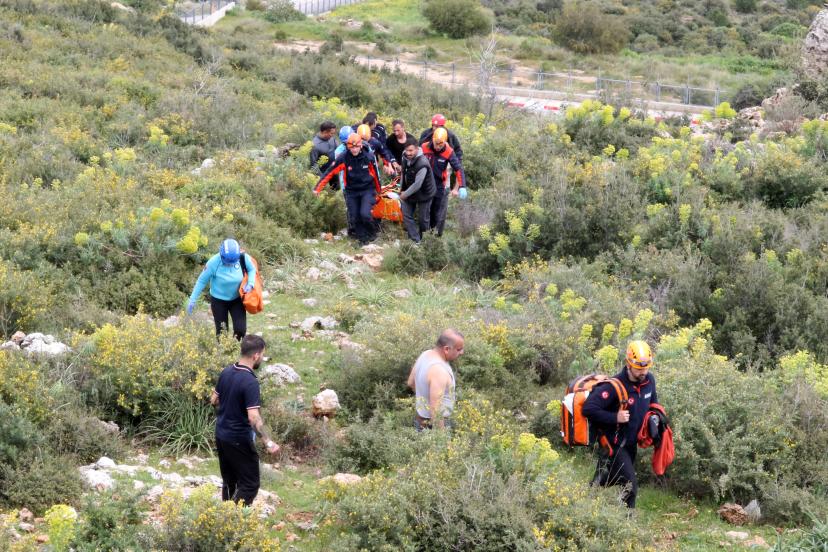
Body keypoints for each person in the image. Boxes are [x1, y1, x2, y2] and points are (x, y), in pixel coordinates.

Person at [582, 340, 658, 509]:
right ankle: (627, 519)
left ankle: (589, 494)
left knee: (613, 477)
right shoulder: (613, 386)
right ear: (628, 364)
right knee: (631, 485)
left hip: (632, 443)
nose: (643, 372)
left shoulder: (649, 381)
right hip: (614, 444)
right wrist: (615, 417)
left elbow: (654, 404)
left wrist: (656, 421)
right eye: (639, 368)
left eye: (646, 368)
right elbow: (588, 409)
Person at [210, 335, 280, 506]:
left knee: (230, 482)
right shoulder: (250, 381)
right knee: (250, 484)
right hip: (238, 439)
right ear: (256, 355)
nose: (262, 358)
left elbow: (213, 400)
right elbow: (253, 417)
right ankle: (234, 518)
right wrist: (268, 442)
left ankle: (225, 516)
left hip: (221, 435)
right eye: (262, 354)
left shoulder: (226, 371)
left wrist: (229, 408)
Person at [314, 133, 382, 246]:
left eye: (356, 147)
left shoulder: (369, 156)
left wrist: (379, 191)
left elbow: (375, 174)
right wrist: (318, 188)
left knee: (365, 214)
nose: (354, 150)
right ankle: (362, 239)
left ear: (361, 146)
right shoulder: (343, 157)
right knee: (354, 216)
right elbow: (330, 172)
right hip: (351, 191)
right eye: (351, 147)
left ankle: (372, 233)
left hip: (367, 189)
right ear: (348, 147)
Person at [188, 238, 256, 340]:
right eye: (228, 262)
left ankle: (235, 347)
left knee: (241, 330)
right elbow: (201, 281)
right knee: (221, 333)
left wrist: (250, 283)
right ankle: (223, 349)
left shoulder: (243, 257)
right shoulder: (213, 263)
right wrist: (192, 299)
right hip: (218, 302)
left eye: (233, 262)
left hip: (237, 300)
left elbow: (251, 269)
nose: (230, 264)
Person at [406, 329, 465, 430]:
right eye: (459, 349)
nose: (462, 352)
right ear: (446, 349)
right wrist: (441, 438)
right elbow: (436, 412)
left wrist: (424, 397)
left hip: (420, 421)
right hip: (433, 426)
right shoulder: (439, 371)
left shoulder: (425, 354)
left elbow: (411, 382)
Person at [421, 127, 466, 237]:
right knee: (424, 212)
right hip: (425, 184)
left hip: (439, 185)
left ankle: (432, 237)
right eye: (436, 144)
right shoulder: (424, 147)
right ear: (432, 139)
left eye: (440, 145)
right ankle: (422, 236)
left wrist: (462, 186)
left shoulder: (449, 151)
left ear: (445, 142)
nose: (437, 147)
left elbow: (458, 168)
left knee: (436, 213)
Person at [398, 137, 435, 243]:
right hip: (409, 190)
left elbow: (417, 184)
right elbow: (403, 172)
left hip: (425, 193)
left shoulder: (422, 163)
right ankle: (415, 240)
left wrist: (405, 194)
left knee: (423, 220)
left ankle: (425, 242)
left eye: (411, 150)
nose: (408, 153)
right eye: (406, 150)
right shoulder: (404, 156)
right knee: (406, 215)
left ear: (417, 149)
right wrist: (401, 188)